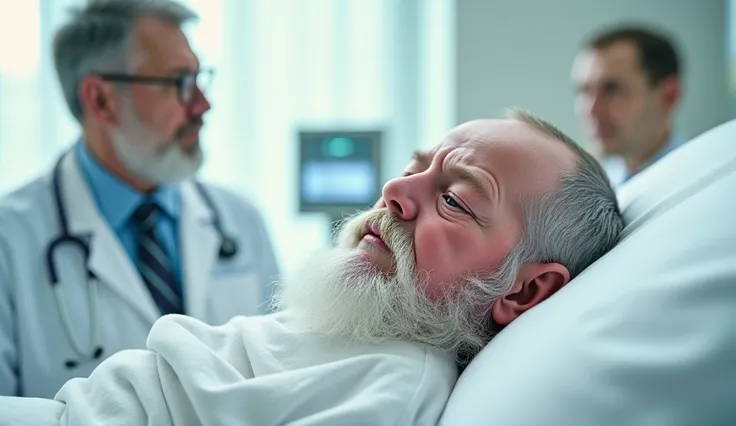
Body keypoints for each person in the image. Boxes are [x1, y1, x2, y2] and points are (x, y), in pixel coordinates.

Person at [0, 109, 623, 426]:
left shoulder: (398, 380)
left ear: (527, 289)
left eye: (455, 199)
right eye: (415, 167)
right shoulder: (360, 337)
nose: (396, 191)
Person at [0, 0, 280, 398]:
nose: (203, 103)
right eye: (179, 82)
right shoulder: (10, 240)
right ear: (101, 100)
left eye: (202, 78)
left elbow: (280, 382)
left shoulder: (239, 220)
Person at [571, 25, 684, 190]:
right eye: (584, 91)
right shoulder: (591, 188)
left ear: (669, 97)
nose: (590, 110)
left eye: (612, 89)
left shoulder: (706, 188)